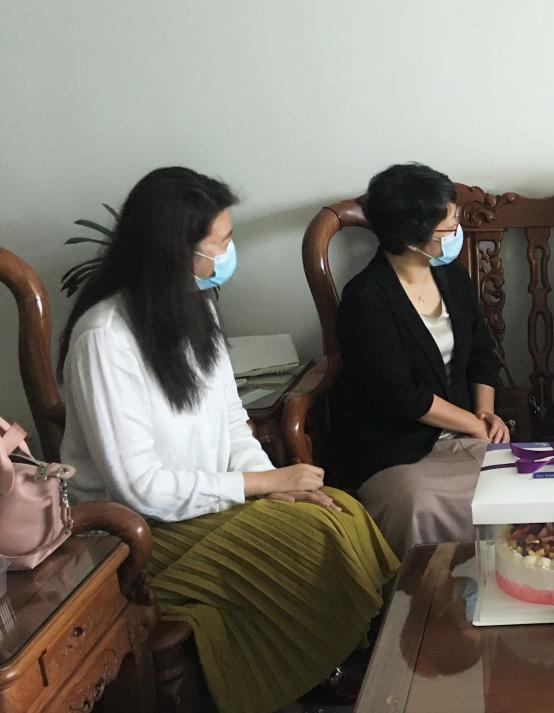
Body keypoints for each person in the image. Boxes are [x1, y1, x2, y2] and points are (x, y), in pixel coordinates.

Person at [58, 167, 398, 713]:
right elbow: (140, 487)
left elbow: (234, 422)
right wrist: (259, 485)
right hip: (139, 534)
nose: (228, 253)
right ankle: (306, 679)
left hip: (210, 505)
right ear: (175, 251)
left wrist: (275, 485)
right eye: (222, 242)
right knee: (311, 539)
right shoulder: (104, 338)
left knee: (341, 512)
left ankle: (331, 669)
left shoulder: (194, 309)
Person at [334, 162, 509, 556]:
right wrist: (472, 425)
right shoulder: (366, 299)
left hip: (465, 433)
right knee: (418, 504)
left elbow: (483, 353)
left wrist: (485, 414)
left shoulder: (453, 278)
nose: (457, 232)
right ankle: (422, 592)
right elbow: (399, 395)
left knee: (511, 491)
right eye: (448, 227)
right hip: (395, 447)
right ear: (412, 237)